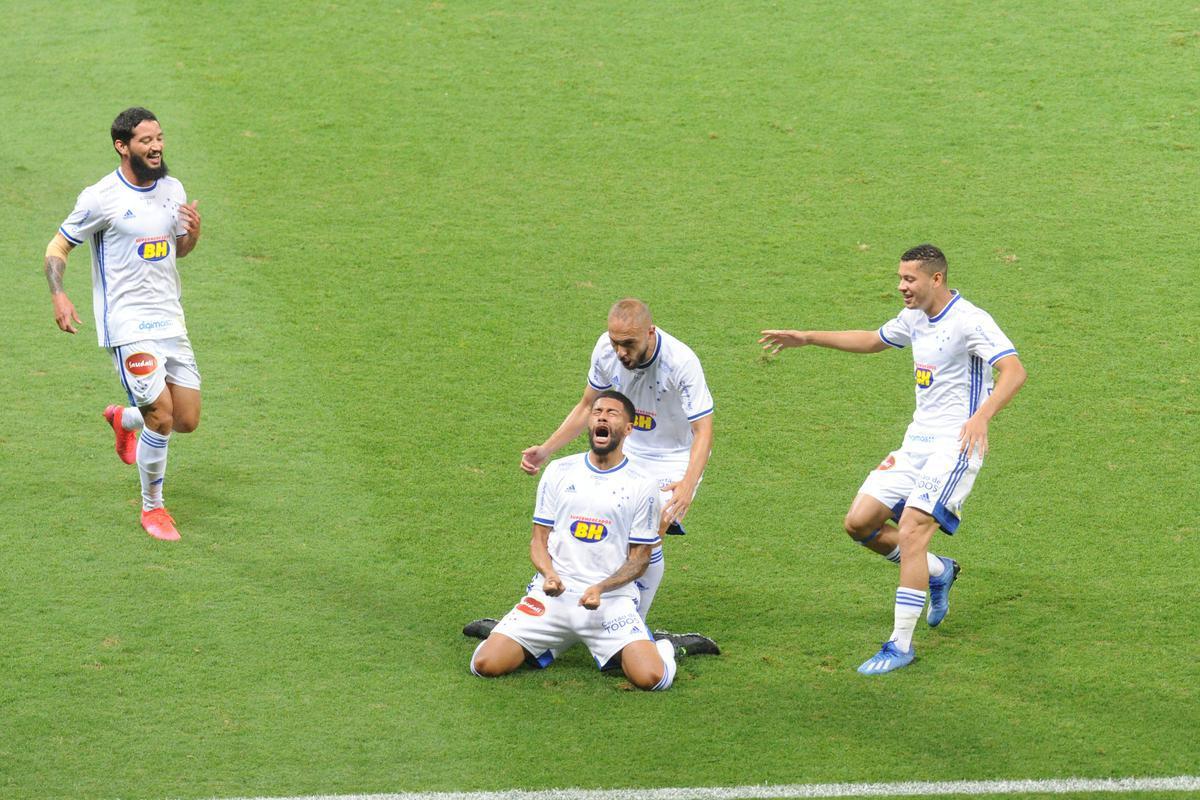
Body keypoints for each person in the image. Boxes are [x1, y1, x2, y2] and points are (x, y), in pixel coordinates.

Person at [759, 244, 1026, 674]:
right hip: (915, 445)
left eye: (909, 279)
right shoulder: (915, 318)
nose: (901, 286)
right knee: (859, 523)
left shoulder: (969, 321)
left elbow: (1014, 370)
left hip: (954, 446)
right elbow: (873, 340)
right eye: (900, 278)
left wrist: (982, 417)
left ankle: (900, 644)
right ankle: (938, 572)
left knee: (912, 530)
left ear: (935, 279)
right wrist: (807, 337)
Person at [465, 298, 716, 643]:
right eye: (615, 342)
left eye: (629, 344)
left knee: (651, 525)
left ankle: (632, 629)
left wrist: (687, 483)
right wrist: (546, 449)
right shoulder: (605, 349)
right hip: (626, 442)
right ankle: (535, 611)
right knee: (579, 513)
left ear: (650, 333)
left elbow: (703, 429)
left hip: (671, 457)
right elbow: (588, 404)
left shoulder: (681, 362)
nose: (621, 352)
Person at [471, 391, 707, 689]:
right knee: (484, 666)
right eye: (597, 412)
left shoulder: (642, 483)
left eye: (612, 413)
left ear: (629, 429)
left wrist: (601, 588)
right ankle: (520, 635)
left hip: (611, 601)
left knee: (652, 679)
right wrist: (549, 574)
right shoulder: (559, 471)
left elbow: (640, 559)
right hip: (553, 597)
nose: (602, 417)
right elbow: (538, 541)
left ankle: (665, 647)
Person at [44, 107, 203, 542]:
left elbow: (177, 251)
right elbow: (58, 245)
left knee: (187, 418)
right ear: (122, 146)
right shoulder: (101, 198)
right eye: (146, 141)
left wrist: (193, 234)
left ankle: (124, 420)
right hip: (128, 324)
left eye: (159, 138)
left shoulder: (173, 188)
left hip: (171, 319)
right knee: (164, 417)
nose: (156, 147)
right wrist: (59, 293)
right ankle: (153, 509)